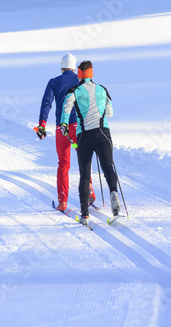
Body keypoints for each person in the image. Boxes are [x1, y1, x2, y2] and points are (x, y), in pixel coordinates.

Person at [60, 60, 120, 226]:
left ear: (79, 74)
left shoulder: (74, 91)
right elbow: (110, 112)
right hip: (103, 133)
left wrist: (64, 125)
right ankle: (113, 193)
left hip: (84, 136)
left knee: (85, 175)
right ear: (91, 73)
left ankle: (85, 214)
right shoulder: (102, 89)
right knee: (108, 166)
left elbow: (66, 109)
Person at [36, 53, 96, 211]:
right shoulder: (81, 80)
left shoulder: (54, 82)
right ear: (75, 67)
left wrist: (42, 124)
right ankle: (88, 188)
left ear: (62, 67)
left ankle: (63, 201)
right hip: (80, 126)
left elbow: (47, 102)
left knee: (63, 163)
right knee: (84, 159)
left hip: (61, 128)